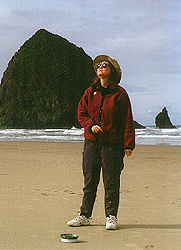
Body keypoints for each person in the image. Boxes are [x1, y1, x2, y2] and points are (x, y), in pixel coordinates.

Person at [67, 55, 135, 230]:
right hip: (91, 143)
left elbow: (127, 120)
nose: (100, 67)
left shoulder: (120, 94)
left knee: (111, 182)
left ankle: (111, 217)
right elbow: (81, 113)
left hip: (112, 145)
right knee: (90, 181)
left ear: (111, 70)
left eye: (104, 65)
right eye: (98, 65)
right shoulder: (90, 92)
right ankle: (85, 215)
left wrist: (128, 144)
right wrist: (91, 126)